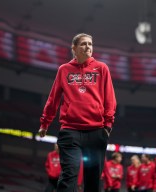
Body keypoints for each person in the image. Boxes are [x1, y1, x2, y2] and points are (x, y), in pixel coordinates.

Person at [38, 33, 117, 192]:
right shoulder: (64, 70)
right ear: (74, 48)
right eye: (84, 44)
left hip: (96, 130)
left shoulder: (101, 68)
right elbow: (53, 99)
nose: (88, 47)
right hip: (70, 130)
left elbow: (110, 98)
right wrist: (45, 123)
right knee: (69, 174)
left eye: (90, 44)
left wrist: (108, 124)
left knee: (93, 180)